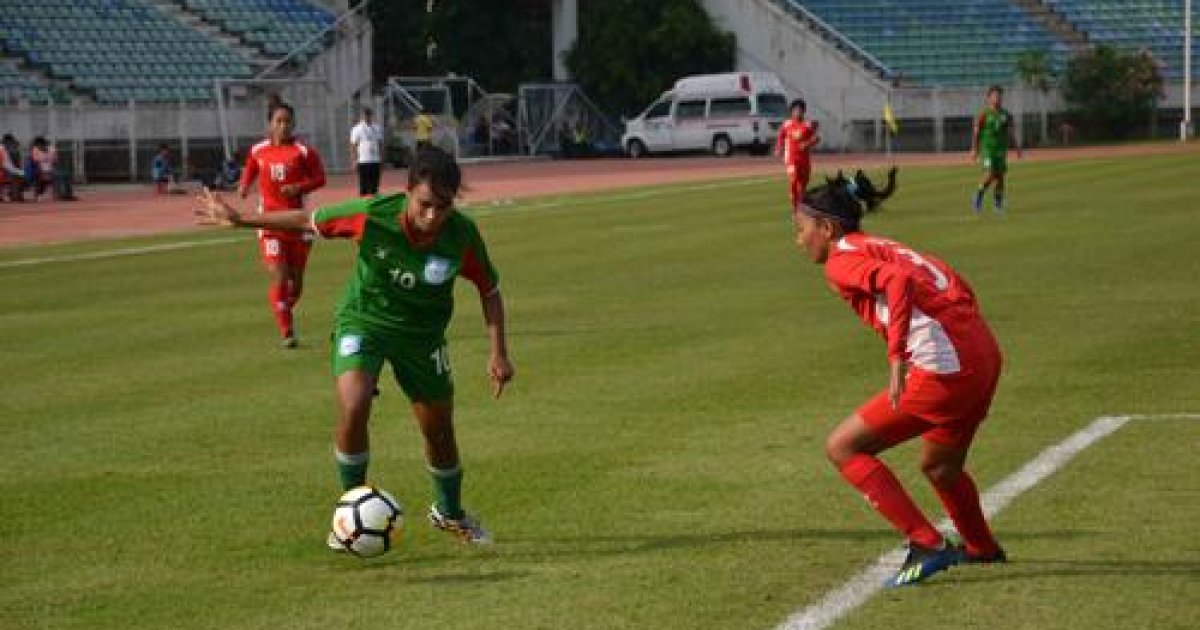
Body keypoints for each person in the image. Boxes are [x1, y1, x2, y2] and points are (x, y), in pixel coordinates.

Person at [193, 146, 514, 548]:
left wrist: (498, 351)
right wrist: (241, 220)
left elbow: (490, 290)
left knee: (439, 432)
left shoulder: (462, 235)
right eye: (425, 205)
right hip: (364, 320)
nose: (433, 217)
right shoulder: (373, 213)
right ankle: (349, 513)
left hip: (422, 337)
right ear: (409, 191)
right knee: (354, 402)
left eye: (443, 207)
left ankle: (448, 514)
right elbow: (306, 220)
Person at [792, 169, 1006, 587]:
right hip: (982, 352)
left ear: (827, 227)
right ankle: (981, 547)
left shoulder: (841, 260)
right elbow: (946, 278)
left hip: (947, 369)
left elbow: (897, 281)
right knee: (940, 466)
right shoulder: (881, 244)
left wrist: (896, 357)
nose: (799, 240)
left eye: (801, 229)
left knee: (843, 446)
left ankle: (926, 542)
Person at [238, 102, 327, 348]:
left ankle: (282, 308)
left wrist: (299, 187)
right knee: (279, 276)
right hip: (269, 223)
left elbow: (320, 178)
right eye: (278, 121)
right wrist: (244, 186)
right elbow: (250, 170)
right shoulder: (258, 150)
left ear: (293, 124)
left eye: (287, 121)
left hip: (298, 223)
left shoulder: (303, 152)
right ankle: (287, 331)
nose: (283, 126)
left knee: (295, 285)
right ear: (270, 124)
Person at [970, 86, 1021, 213]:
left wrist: (1017, 148)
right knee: (990, 174)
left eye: (999, 96)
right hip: (987, 149)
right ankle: (979, 194)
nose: (997, 98)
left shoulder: (1006, 115)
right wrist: (974, 149)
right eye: (994, 96)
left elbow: (1011, 133)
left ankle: (997, 204)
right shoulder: (983, 114)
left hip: (1001, 150)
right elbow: (976, 132)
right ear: (988, 98)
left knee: (1000, 177)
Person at [775, 98, 820, 210]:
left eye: (800, 110)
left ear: (803, 111)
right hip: (791, 159)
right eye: (795, 110)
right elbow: (781, 136)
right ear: (791, 111)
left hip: (804, 160)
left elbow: (817, 138)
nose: (797, 112)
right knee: (793, 180)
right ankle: (794, 208)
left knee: (802, 187)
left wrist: (807, 143)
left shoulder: (808, 125)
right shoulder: (787, 124)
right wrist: (778, 148)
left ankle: (800, 206)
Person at [349, 107, 383, 197]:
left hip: (375, 160)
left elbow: (380, 143)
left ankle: (374, 206)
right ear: (362, 116)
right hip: (363, 161)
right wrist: (354, 160)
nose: (367, 117)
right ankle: (362, 208)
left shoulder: (377, 128)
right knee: (363, 186)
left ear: (371, 115)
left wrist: (382, 158)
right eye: (365, 115)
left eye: (369, 115)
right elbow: (353, 145)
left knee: (374, 186)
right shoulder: (356, 129)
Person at [0, 135, 24, 202]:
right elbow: (7, 165)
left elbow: (8, 165)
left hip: (6, 170)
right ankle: (13, 195)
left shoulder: (5, 150)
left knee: (16, 175)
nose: (13, 145)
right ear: (7, 142)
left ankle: (13, 194)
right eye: (12, 143)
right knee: (17, 175)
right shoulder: (2, 150)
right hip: (4, 172)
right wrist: (20, 172)